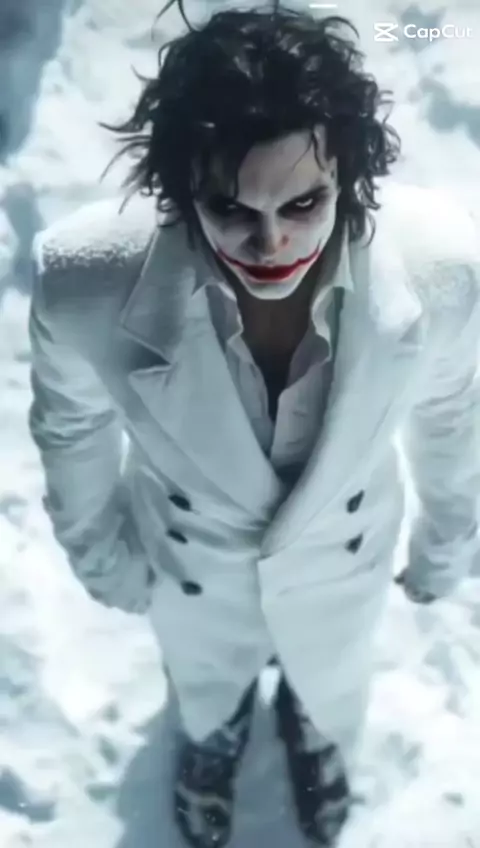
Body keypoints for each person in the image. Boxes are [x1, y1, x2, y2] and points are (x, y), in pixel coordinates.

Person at [28, 3, 480, 847]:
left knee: (329, 680)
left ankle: (314, 730)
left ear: (350, 173)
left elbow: (452, 410)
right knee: (206, 682)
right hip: (191, 564)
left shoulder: (441, 265)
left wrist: (448, 539)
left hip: (344, 561)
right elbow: (71, 430)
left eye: (304, 202)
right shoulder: (86, 283)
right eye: (229, 208)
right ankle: (213, 737)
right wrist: (102, 557)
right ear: (180, 190)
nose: (270, 243)